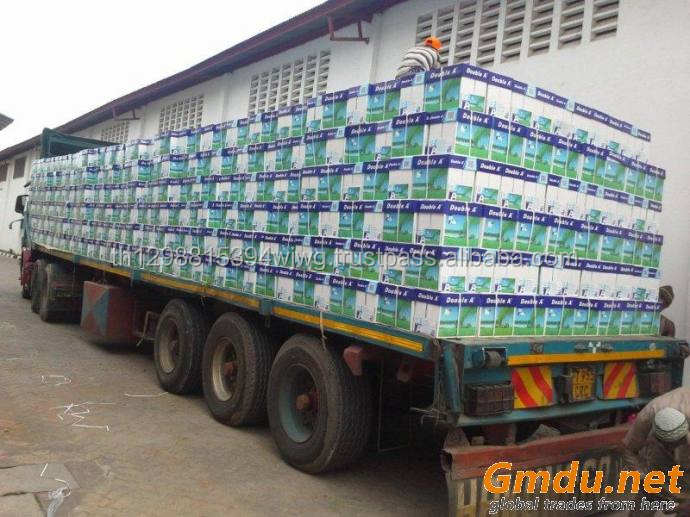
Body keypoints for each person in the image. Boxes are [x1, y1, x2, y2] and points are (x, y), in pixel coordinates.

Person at [623, 387, 690, 514]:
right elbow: (629, 450)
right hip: (657, 458)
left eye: (674, 444)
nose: (671, 449)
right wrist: (643, 477)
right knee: (645, 500)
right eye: (666, 444)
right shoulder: (648, 415)